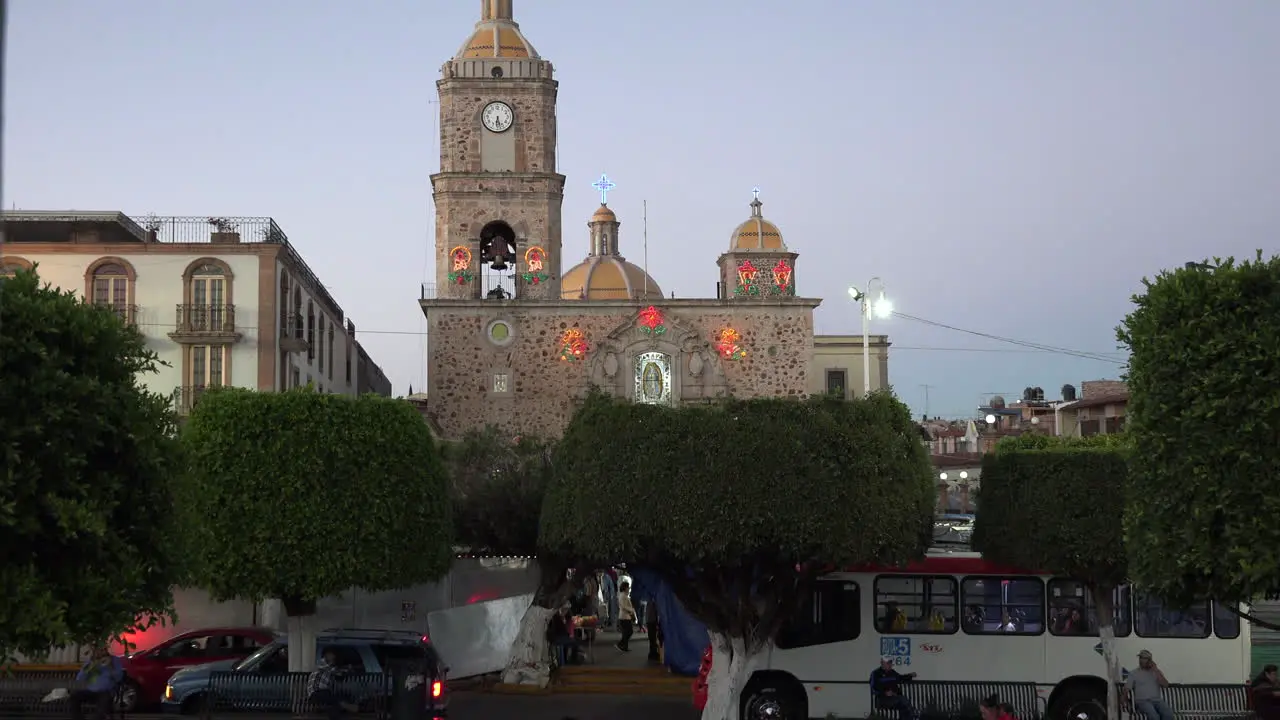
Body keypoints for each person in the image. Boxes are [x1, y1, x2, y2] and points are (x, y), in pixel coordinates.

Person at [70, 645, 124, 720]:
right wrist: (89, 667)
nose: (101, 652)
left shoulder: (115, 660)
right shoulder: (91, 661)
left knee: (104, 700)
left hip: (105, 692)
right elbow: (79, 679)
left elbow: (119, 678)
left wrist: (110, 666)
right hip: (89, 691)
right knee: (74, 696)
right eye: (99, 650)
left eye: (103, 650)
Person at [307, 647, 356, 720]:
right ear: (327, 655)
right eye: (332, 655)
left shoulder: (328, 667)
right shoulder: (322, 663)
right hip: (316, 693)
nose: (334, 658)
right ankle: (346, 706)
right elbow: (337, 672)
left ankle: (344, 706)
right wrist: (347, 668)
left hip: (322, 693)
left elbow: (337, 675)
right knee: (335, 701)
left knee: (336, 701)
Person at [1125, 649, 1173, 720]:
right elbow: (1127, 688)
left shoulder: (1156, 672)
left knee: (1168, 714)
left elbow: (1165, 685)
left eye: (1144, 658)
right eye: (1140, 658)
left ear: (1150, 660)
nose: (1141, 660)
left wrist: (1156, 670)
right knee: (1154, 717)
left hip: (1157, 701)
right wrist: (1124, 699)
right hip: (1142, 701)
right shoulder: (1134, 673)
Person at [870, 656, 917, 720]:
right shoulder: (875, 673)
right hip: (883, 699)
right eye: (888, 663)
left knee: (903, 705)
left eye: (891, 663)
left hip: (895, 698)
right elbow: (873, 688)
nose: (890, 665)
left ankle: (912, 716)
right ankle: (914, 715)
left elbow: (901, 678)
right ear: (882, 663)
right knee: (902, 700)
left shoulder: (892, 672)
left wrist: (910, 675)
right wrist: (885, 693)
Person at [616, 580, 636, 652]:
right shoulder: (623, 596)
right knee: (628, 631)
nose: (629, 589)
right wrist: (631, 610)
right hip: (624, 616)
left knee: (626, 632)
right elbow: (624, 606)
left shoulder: (624, 595)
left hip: (625, 616)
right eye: (628, 587)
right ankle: (621, 644)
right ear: (625, 588)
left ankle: (624, 646)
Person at [645, 593, 662, 662]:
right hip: (652, 621)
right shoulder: (653, 601)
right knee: (653, 638)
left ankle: (652, 653)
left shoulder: (649, 601)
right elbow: (656, 612)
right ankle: (653, 654)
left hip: (650, 620)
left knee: (652, 638)